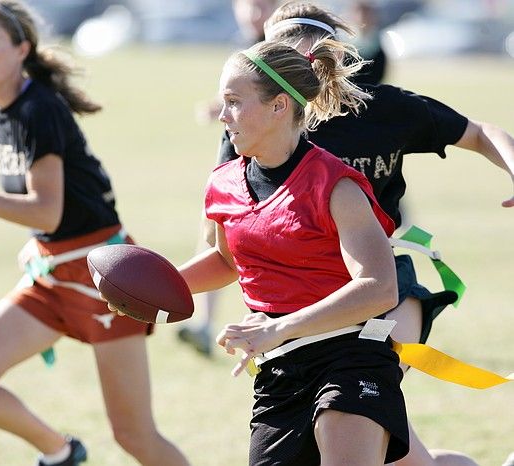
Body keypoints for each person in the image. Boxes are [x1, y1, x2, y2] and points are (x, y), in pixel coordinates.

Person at [211, 3, 514, 465]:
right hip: (309, 293)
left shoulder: (382, 108)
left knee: (360, 379)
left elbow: (479, 132)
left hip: (384, 281)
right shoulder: (257, 131)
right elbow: (233, 236)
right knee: (384, 444)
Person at [0, 2, 190, 465]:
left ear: (22, 49)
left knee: (135, 436)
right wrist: (36, 242)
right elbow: (50, 217)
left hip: (106, 280)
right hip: (52, 276)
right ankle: (61, 453)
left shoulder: (38, 109)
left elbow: (49, 210)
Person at [177, 37, 409, 465]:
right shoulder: (223, 182)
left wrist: (279, 327)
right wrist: (160, 286)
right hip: (280, 370)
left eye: (233, 101)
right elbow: (228, 262)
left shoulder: (335, 185)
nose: (222, 115)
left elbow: (379, 288)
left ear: (279, 106)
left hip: (350, 357)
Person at [181, 0, 279, 354]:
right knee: (215, 233)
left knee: (252, 240)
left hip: (270, 158)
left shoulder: (285, 50)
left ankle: (265, 319)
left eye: (264, 5)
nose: (256, 13)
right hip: (234, 151)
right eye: (249, 5)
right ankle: (203, 324)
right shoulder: (243, 47)